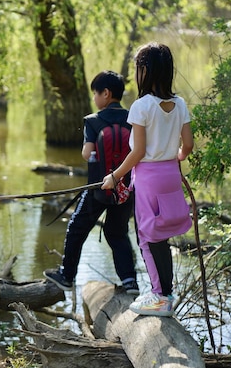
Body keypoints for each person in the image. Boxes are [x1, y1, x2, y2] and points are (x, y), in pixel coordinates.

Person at [101, 42, 194, 317]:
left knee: (147, 236)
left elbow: (138, 151)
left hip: (148, 178)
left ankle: (159, 297)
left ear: (145, 71)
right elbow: (187, 146)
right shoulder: (180, 104)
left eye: (138, 68)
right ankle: (166, 293)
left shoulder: (141, 107)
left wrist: (114, 176)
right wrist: (173, 157)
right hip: (170, 174)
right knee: (161, 235)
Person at [44, 70, 139, 295]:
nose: (94, 98)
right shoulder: (133, 120)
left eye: (96, 93)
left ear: (106, 94)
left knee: (77, 228)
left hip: (97, 188)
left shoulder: (93, 121)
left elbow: (87, 154)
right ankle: (130, 282)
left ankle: (67, 276)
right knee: (117, 233)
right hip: (125, 190)